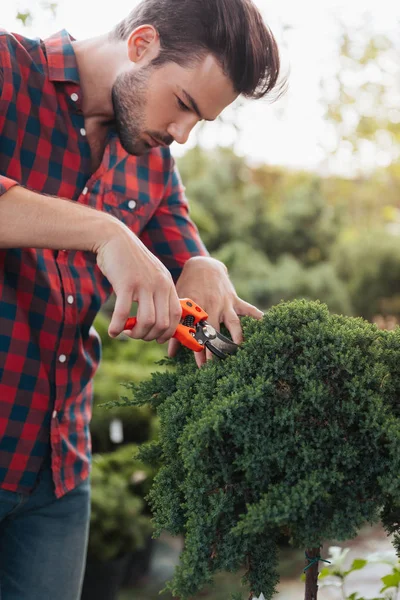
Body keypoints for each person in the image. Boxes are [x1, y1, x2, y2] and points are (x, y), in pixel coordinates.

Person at [0, 0, 283, 597]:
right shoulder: (7, 70)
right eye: (183, 104)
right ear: (140, 44)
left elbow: (189, 269)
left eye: (199, 122)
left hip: (55, 474)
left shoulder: (150, 161)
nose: (181, 134)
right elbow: (114, 239)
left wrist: (206, 265)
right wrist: (104, 231)